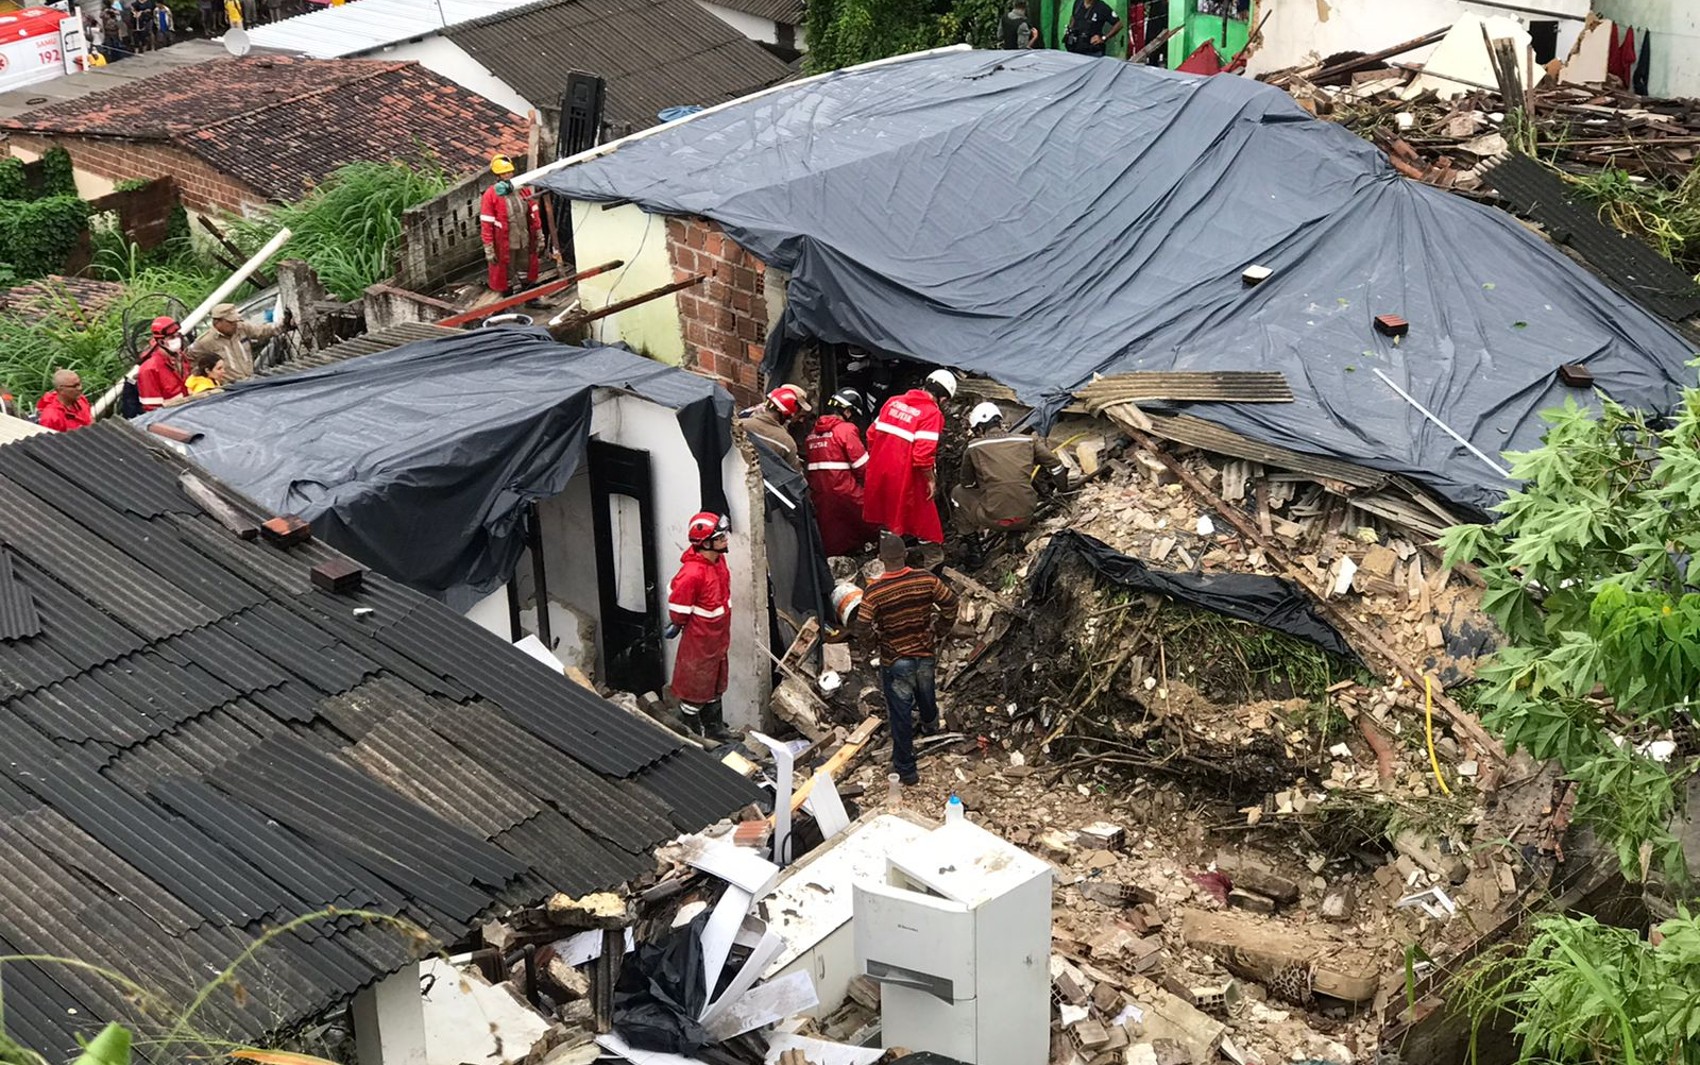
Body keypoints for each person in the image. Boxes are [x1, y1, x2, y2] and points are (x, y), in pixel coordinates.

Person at [858, 533, 958, 785]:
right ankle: (930, 725)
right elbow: (951, 602)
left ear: (880, 559)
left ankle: (906, 769)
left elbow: (862, 625)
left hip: (896, 658)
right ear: (905, 555)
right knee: (926, 690)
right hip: (924, 651)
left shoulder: (875, 591)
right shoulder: (926, 578)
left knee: (900, 715)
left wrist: (873, 643)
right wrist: (941, 628)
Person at [863, 368, 955, 544]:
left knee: (886, 513)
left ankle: (888, 553)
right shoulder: (932, 414)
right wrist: (930, 479)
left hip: (880, 470)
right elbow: (922, 456)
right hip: (905, 472)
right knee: (923, 515)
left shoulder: (892, 402)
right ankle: (930, 558)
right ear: (943, 398)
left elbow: (871, 434)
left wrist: (878, 460)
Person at [665, 512, 733, 742]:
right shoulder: (692, 574)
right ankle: (692, 732)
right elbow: (679, 608)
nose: (726, 539)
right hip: (700, 640)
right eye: (720, 536)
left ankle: (715, 729)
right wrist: (677, 624)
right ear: (705, 543)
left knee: (715, 684)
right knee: (696, 688)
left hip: (719, 637)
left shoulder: (718, 561)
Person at [951, 401, 1066, 533]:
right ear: (1000, 422)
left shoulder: (973, 447)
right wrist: (1062, 493)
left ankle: (975, 550)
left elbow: (968, 484)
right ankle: (1014, 534)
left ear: (980, 429)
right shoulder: (1027, 441)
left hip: (996, 519)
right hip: (1026, 515)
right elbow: (1056, 465)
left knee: (957, 492)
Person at [805, 388, 878, 557]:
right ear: (847, 411)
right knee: (871, 519)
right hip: (846, 490)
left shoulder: (812, 435)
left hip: (820, 494)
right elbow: (862, 465)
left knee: (832, 533)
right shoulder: (846, 430)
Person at [479, 155, 542, 297]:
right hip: (504, 242)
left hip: (524, 238)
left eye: (509, 172)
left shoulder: (521, 189)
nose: (507, 175)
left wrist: (539, 234)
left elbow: (534, 212)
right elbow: (486, 223)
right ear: (497, 175)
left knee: (526, 268)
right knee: (506, 272)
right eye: (504, 173)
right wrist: (489, 248)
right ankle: (508, 300)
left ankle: (530, 298)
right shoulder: (491, 195)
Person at [188, 302, 286, 381]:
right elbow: (190, 364)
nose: (235, 324)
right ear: (217, 322)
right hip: (229, 387)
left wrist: (284, 325)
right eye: (230, 322)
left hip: (251, 379)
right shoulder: (204, 342)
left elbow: (263, 331)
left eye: (236, 321)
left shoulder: (241, 328)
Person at [738, 384, 809, 471]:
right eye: (798, 410)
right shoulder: (786, 441)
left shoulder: (741, 422)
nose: (799, 418)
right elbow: (795, 472)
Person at [137, 316, 189, 412]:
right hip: (169, 418)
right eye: (172, 337)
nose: (177, 339)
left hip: (188, 411)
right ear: (161, 341)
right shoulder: (149, 369)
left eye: (178, 335)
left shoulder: (181, 358)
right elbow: (152, 409)